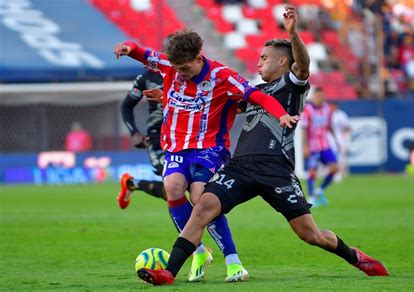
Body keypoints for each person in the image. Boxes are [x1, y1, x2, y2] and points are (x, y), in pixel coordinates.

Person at [135, 6, 389, 286]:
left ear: (282, 62)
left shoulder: (292, 85)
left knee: (311, 235)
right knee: (202, 207)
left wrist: (293, 35)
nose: (258, 63)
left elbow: (302, 65)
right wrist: (169, 97)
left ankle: (355, 256)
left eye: (264, 58)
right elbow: (208, 106)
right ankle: (168, 272)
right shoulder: (252, 93)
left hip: (276, 170)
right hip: (240, 167)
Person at [113, 29, 298, 282]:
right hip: (176, 147)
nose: (180, 73)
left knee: (202, 197)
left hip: (211, 148)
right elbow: (144, 54)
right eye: (177, 68)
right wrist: (128, 47)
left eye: (185, 68)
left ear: (199, 58)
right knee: (173, 188)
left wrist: (282, 114)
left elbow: (257, 96)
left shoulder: (222, 76)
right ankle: (198, 251)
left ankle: (234, 262)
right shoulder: (170, 65)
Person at [116, 69, 167, 209]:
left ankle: (131, 183)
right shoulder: (148, 77)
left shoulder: (190, 73)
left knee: (190, 188)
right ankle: (130, 183)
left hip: (186, 138)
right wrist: (134, 132)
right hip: (158, 138)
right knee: (172, 190)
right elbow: (126, 106)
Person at [300, 88, 340, 207]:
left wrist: (336, 139)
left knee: (335, 168)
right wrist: (305, 146)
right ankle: (311, 196)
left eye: (322, 96)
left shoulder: (327, 108)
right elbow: (304, 129)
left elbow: (329, 125)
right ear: (314, 96)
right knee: (312, 171)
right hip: (312, 146)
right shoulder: (308, 109)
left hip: (325, 144)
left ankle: (320, 190)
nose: (320, 98)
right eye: (318, 96)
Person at [328, 101, 351, 183]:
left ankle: (339, 174)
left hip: (339, 137)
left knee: (340, 156)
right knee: (331, 156)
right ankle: (330, 173)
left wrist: (346, 138)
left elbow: (347, 127)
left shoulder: (341, 115)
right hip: (329, 137)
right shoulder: (328, 113)